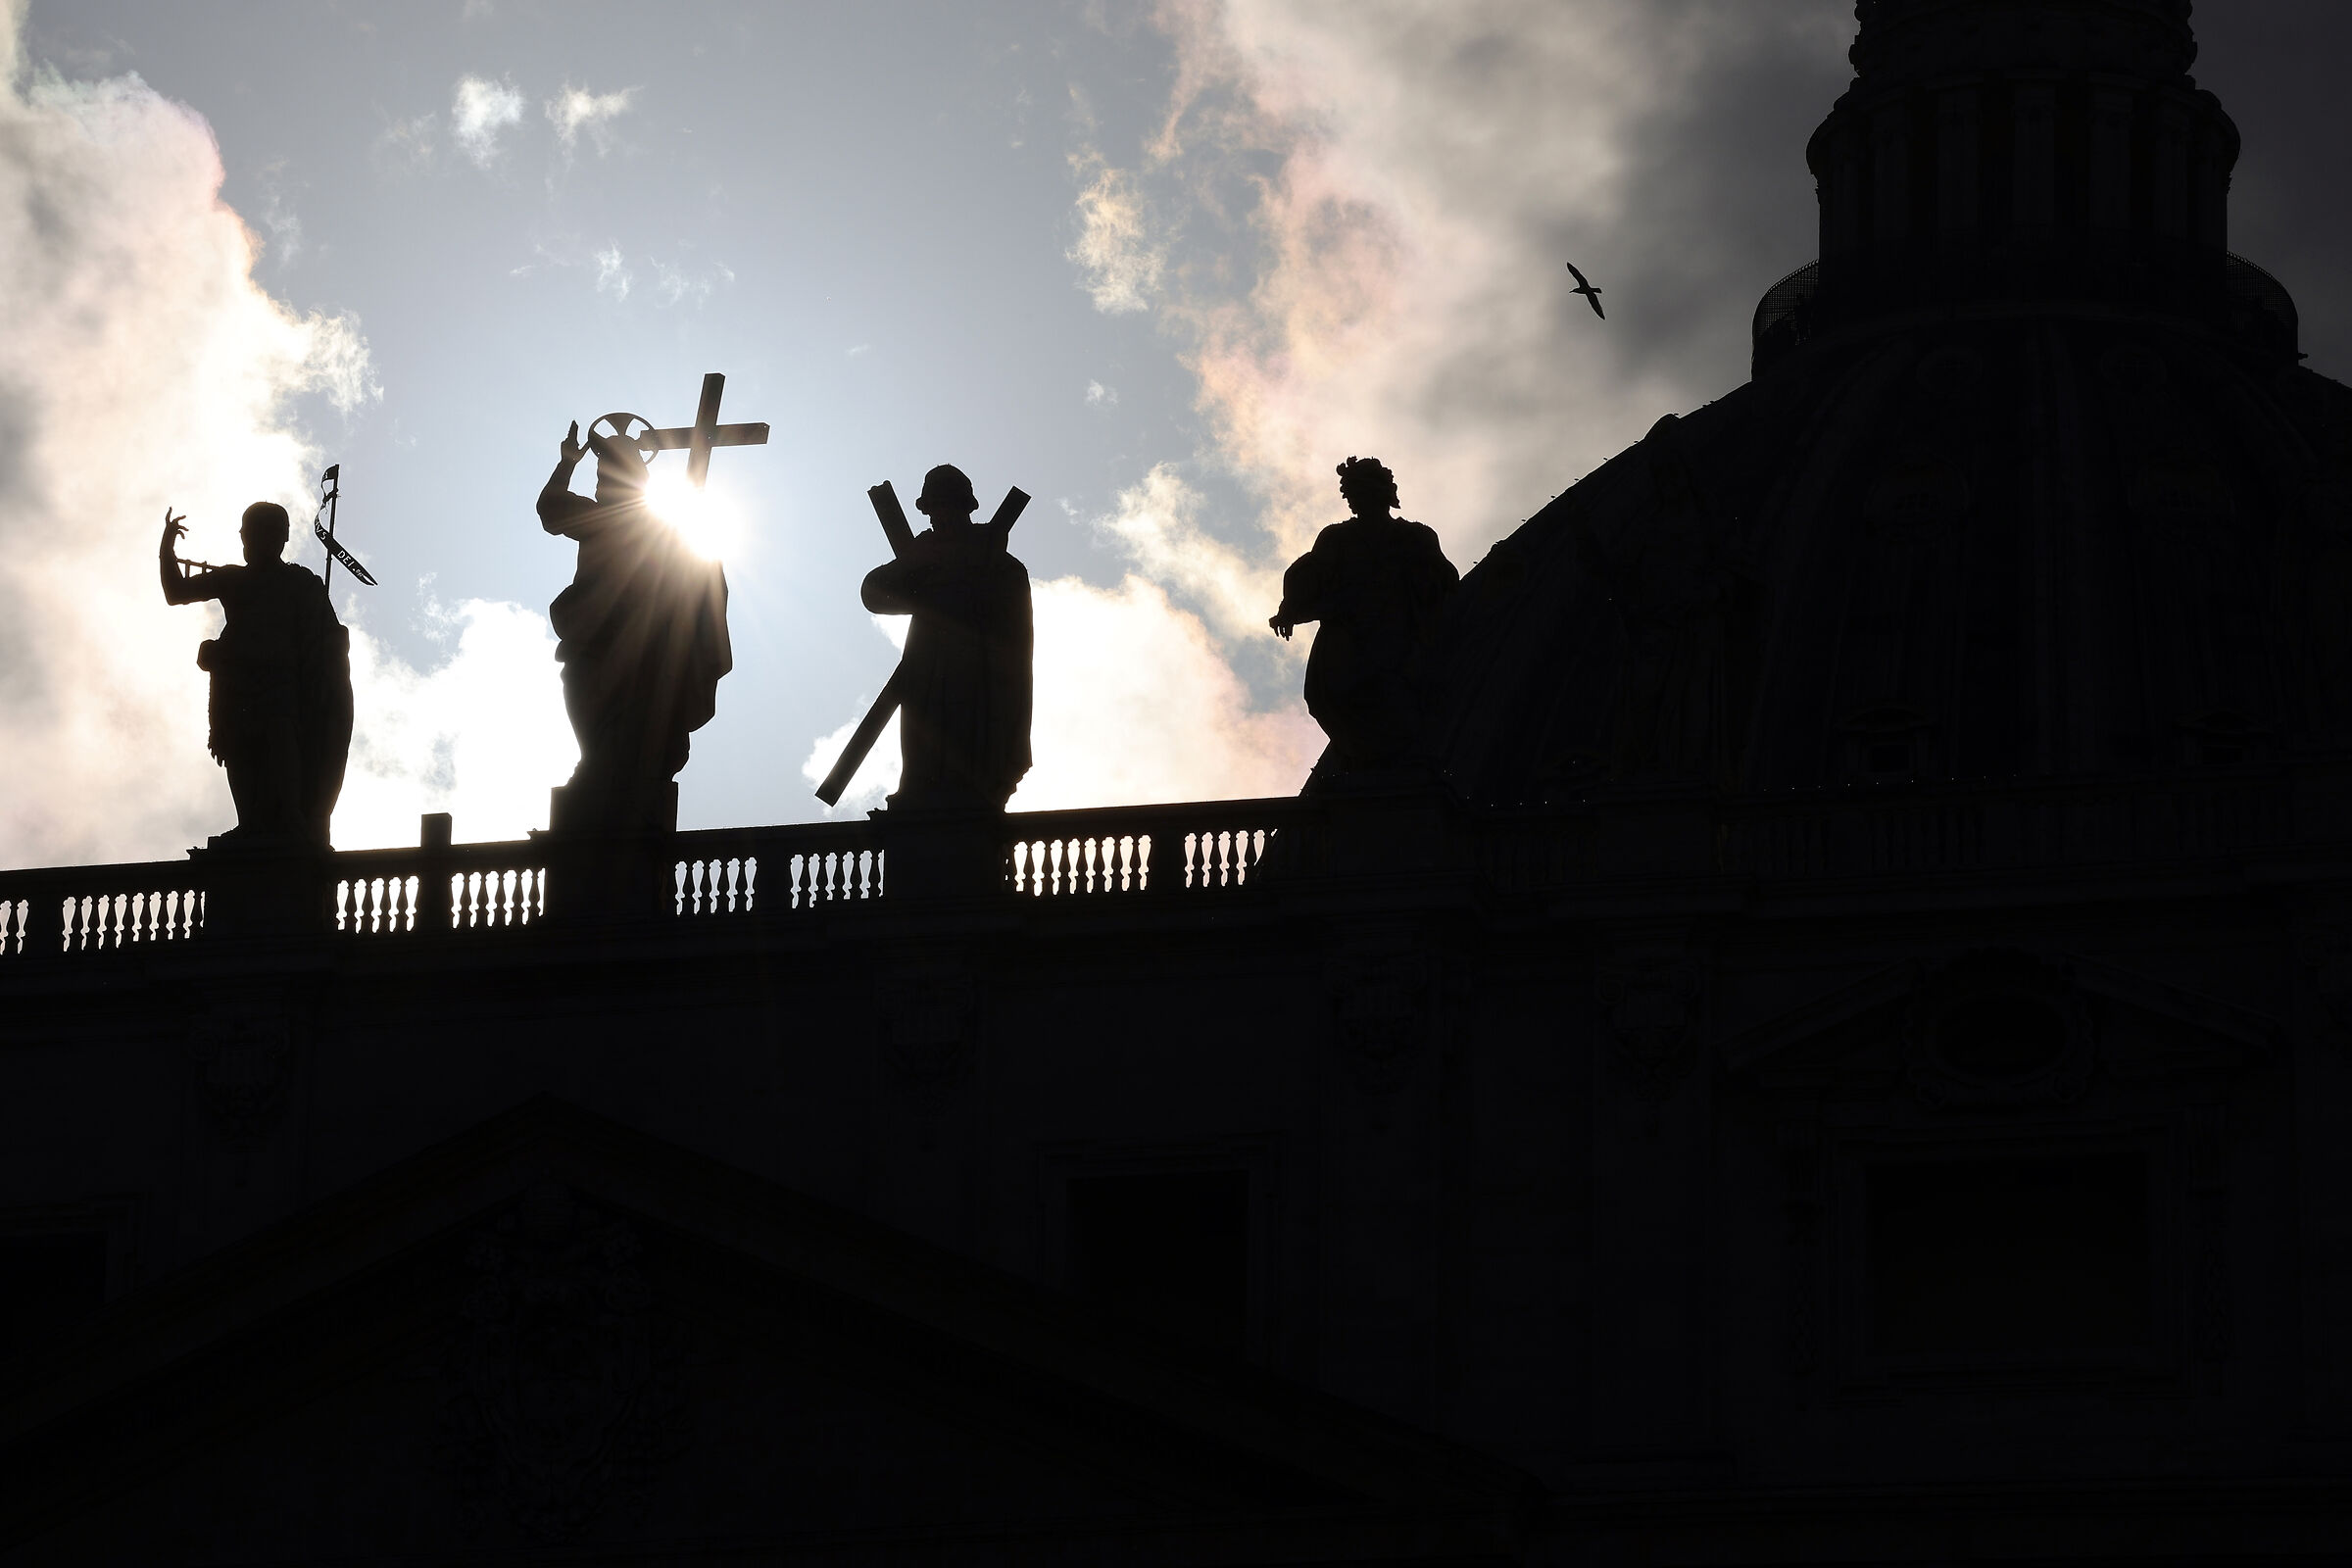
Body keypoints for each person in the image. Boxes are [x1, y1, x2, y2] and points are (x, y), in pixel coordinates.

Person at [538, 420, 732, 832]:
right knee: (592, 720)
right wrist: (566, 463)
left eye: (609, 474)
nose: (601, 483)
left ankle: (611, 791)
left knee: (635, 730)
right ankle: (597, 779)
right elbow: (551, 511)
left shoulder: (656, 526)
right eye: (599, 475)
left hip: (646, 648)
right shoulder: (599, 517)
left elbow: (704, 573)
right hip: (592, 645)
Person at [159, 501, 354, 846]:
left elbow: (327, 637)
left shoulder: (299, 583)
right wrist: (167, 548)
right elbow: (176, 593)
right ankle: (250, 824)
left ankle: (293, 821)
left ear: (279, 538)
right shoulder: (233, 579)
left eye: (254, 534)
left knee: (280, 741)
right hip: (237, 688)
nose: (248, 542)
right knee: (240, 751)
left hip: (282, 686)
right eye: (245, 534)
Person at [860, 464, 1033, 809]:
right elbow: (872, 594)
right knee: (924, 748)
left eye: (947, 506)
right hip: (926, 671)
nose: (939, 517)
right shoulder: (923, 562)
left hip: (979, 676)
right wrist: (915, 566)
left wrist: (967, 594)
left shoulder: (999, 565)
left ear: (965, 507)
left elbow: (1014, 636)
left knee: (972, 745)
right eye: (933, 509)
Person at [1269, 457, 1458, 771]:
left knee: (1394, 693)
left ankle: (1389, 766)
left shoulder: (1415, 536)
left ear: (1382, 492)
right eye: (1350, 494)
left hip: (1395, 628)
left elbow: (1446, 581)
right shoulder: (1336, 537)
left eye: (1359, 491)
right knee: (1328, 696)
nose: (1353, 500)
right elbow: (1309, 576)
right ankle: (1364, 763)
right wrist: (1288, 610)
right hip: (1345, 629)